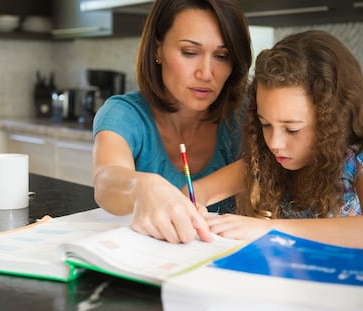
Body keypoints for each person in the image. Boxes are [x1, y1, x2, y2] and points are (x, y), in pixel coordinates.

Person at [189, 30, 363, 252]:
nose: (275, 143)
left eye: (292, 129)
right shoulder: (268, 161)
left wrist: (269, 229)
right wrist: (191, 205)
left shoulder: (359, 163)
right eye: (265, 124)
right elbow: (198, 191)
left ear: (332, 121)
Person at [92, 0, 252, 243]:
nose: (206, 73)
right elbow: (105, 181)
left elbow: (269, 169)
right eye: (190, 52)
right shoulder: (124, 114)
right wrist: (142, 187)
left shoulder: (246, 115)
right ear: (157, 49)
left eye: (222, 56)